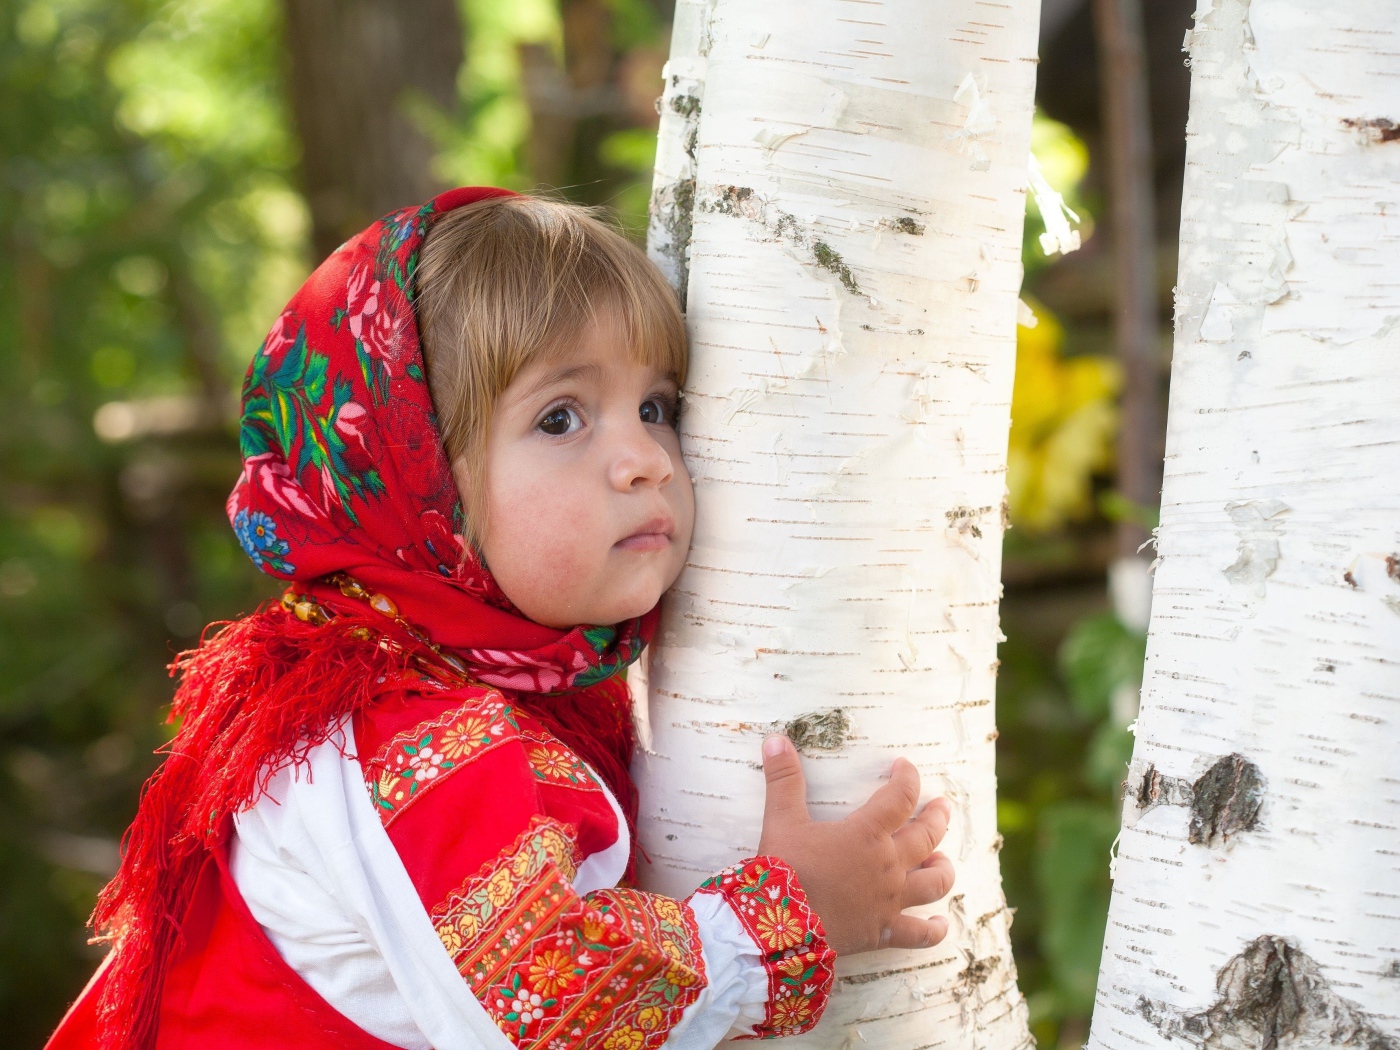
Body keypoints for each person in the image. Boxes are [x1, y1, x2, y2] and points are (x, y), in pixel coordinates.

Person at [44, 188, 955, 1050]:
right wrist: (792, 914)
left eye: (657, 407)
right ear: (418, 483)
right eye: (561, 418)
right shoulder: (388, 733)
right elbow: (549, 1008)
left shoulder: (510, 684)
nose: (645, 459)